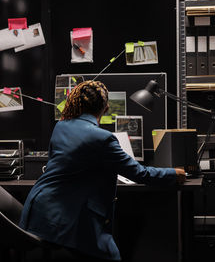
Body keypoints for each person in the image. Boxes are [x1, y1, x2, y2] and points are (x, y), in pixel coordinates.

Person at [19, 80, 186, 261]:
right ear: (105, 109)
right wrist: (173, 173)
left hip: (37, 211)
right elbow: (139, 173)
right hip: (62, 221)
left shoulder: (61, 126)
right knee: (111, 255)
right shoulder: (102, 138)